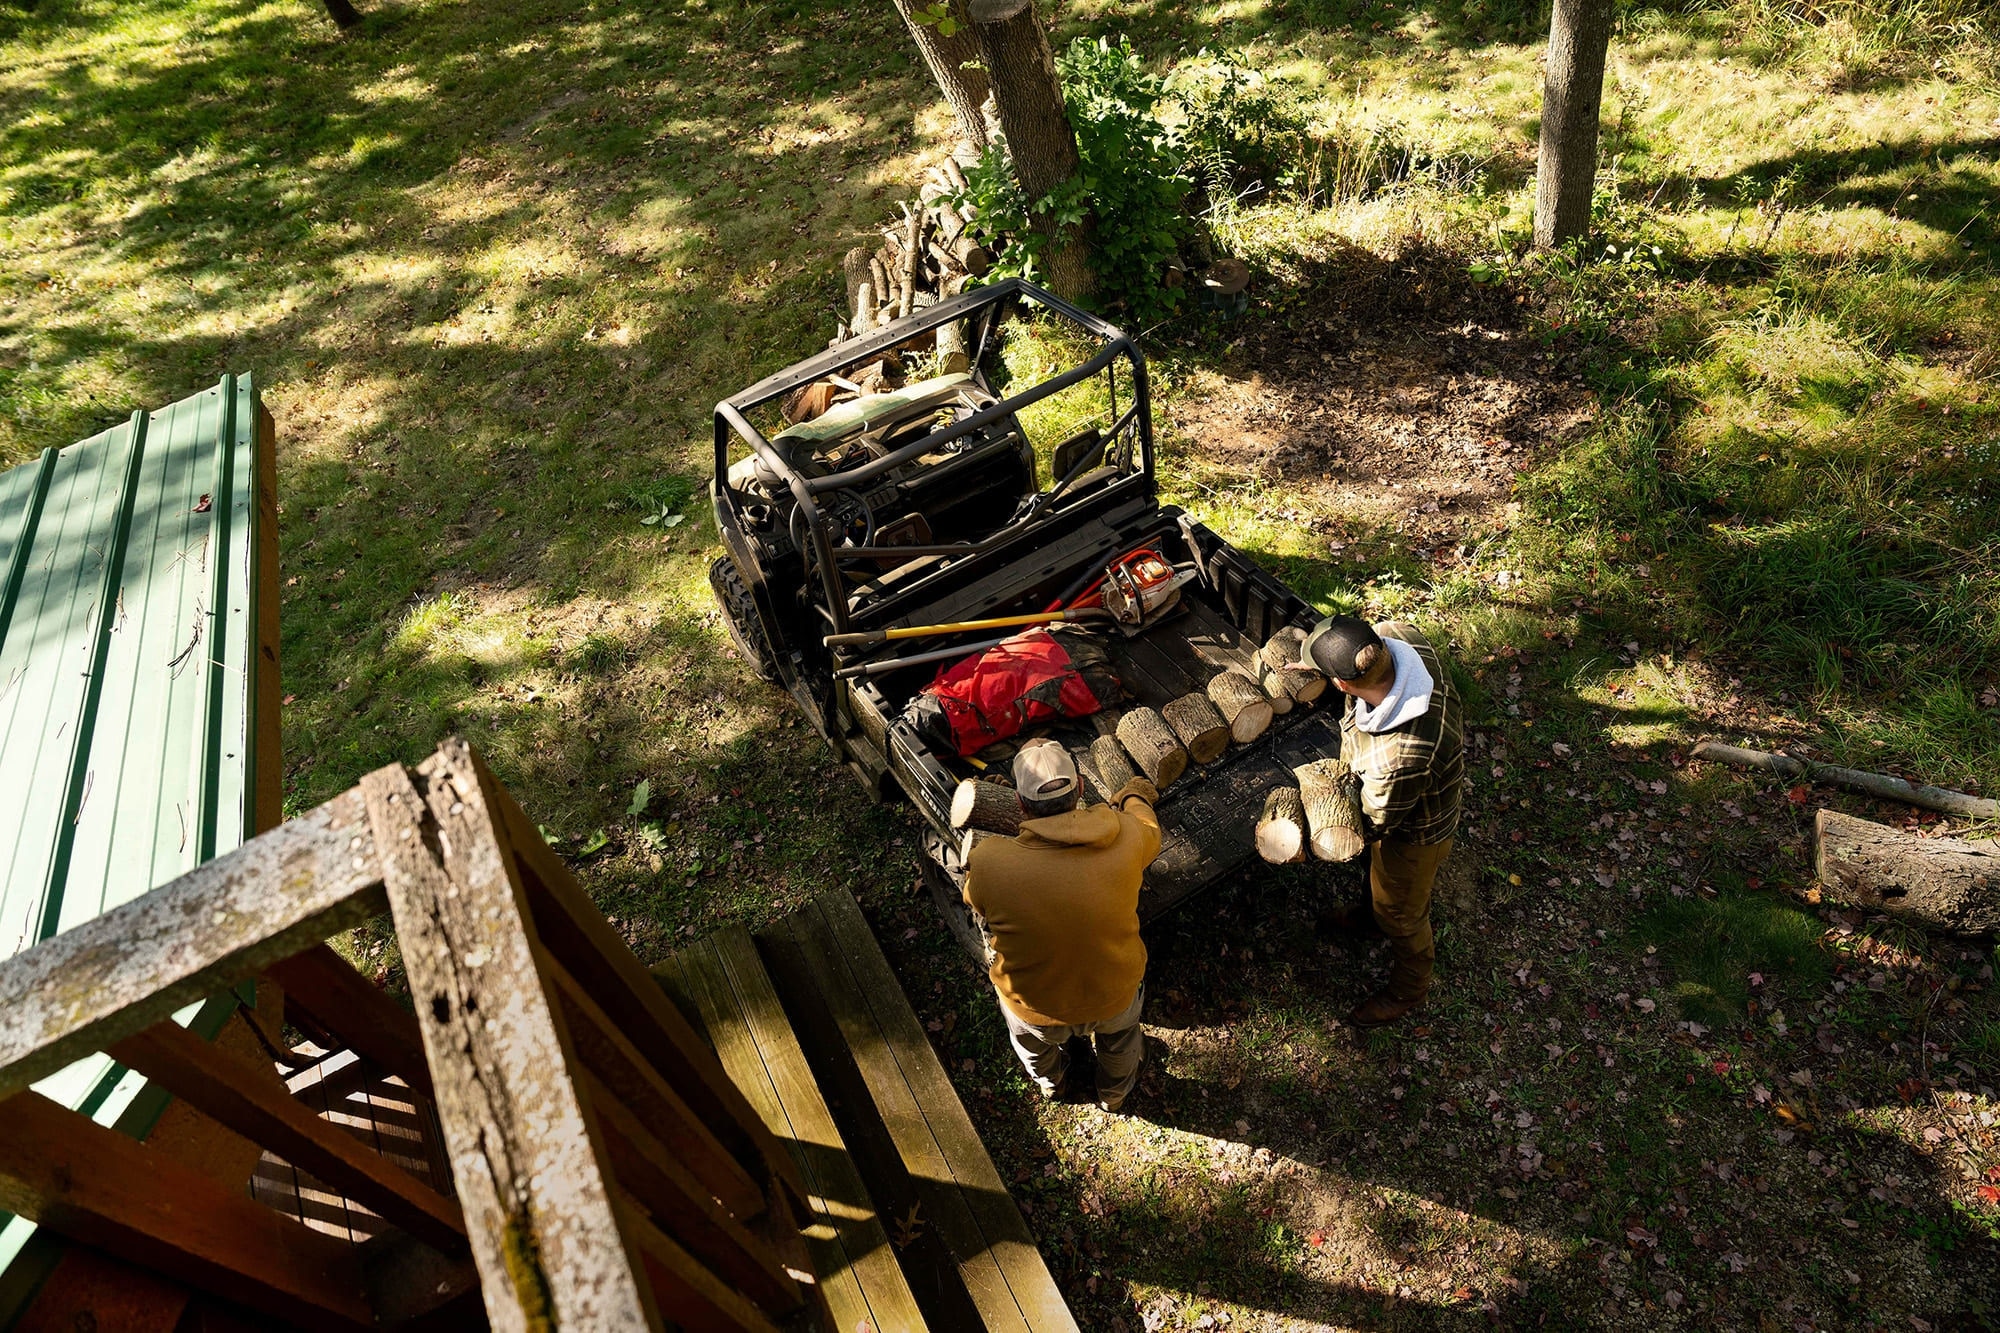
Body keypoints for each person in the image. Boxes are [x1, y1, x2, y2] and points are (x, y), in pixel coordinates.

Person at [963, 738, 1161, 1112]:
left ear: (1019, 805)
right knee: (1120, 1045)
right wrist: (1133, 796)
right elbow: (1149, 826)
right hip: (1112, 995)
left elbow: (974, 900)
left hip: (1033, 1006)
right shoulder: (1128, 836)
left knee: (1033, 1049)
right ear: (1081, 787)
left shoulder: (989, 861)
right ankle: (1114, 1095)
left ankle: (1051, 1085)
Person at [1301, 615, 1464, 1028]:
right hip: (1395, 795)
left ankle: (1409, 990)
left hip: (1414, 833)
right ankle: (1369, 917)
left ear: (1341, 684)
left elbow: (1373, 824)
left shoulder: (1401, 755)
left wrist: (1317, 840)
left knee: (1402, 914)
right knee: (1375, 884)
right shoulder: (1397, 637)